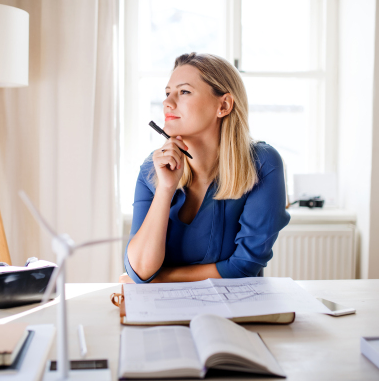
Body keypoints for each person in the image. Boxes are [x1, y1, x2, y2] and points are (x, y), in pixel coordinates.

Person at [121, 52, 290, 284]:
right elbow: (140, 269)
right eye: (168, 93)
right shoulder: (153, 168)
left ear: (223, 105)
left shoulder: (262, 163)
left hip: (233, 311)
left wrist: (160, 279)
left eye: (184, 92)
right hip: (162, 313)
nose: (167, 103)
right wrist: (165, 188)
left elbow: (243, 267)